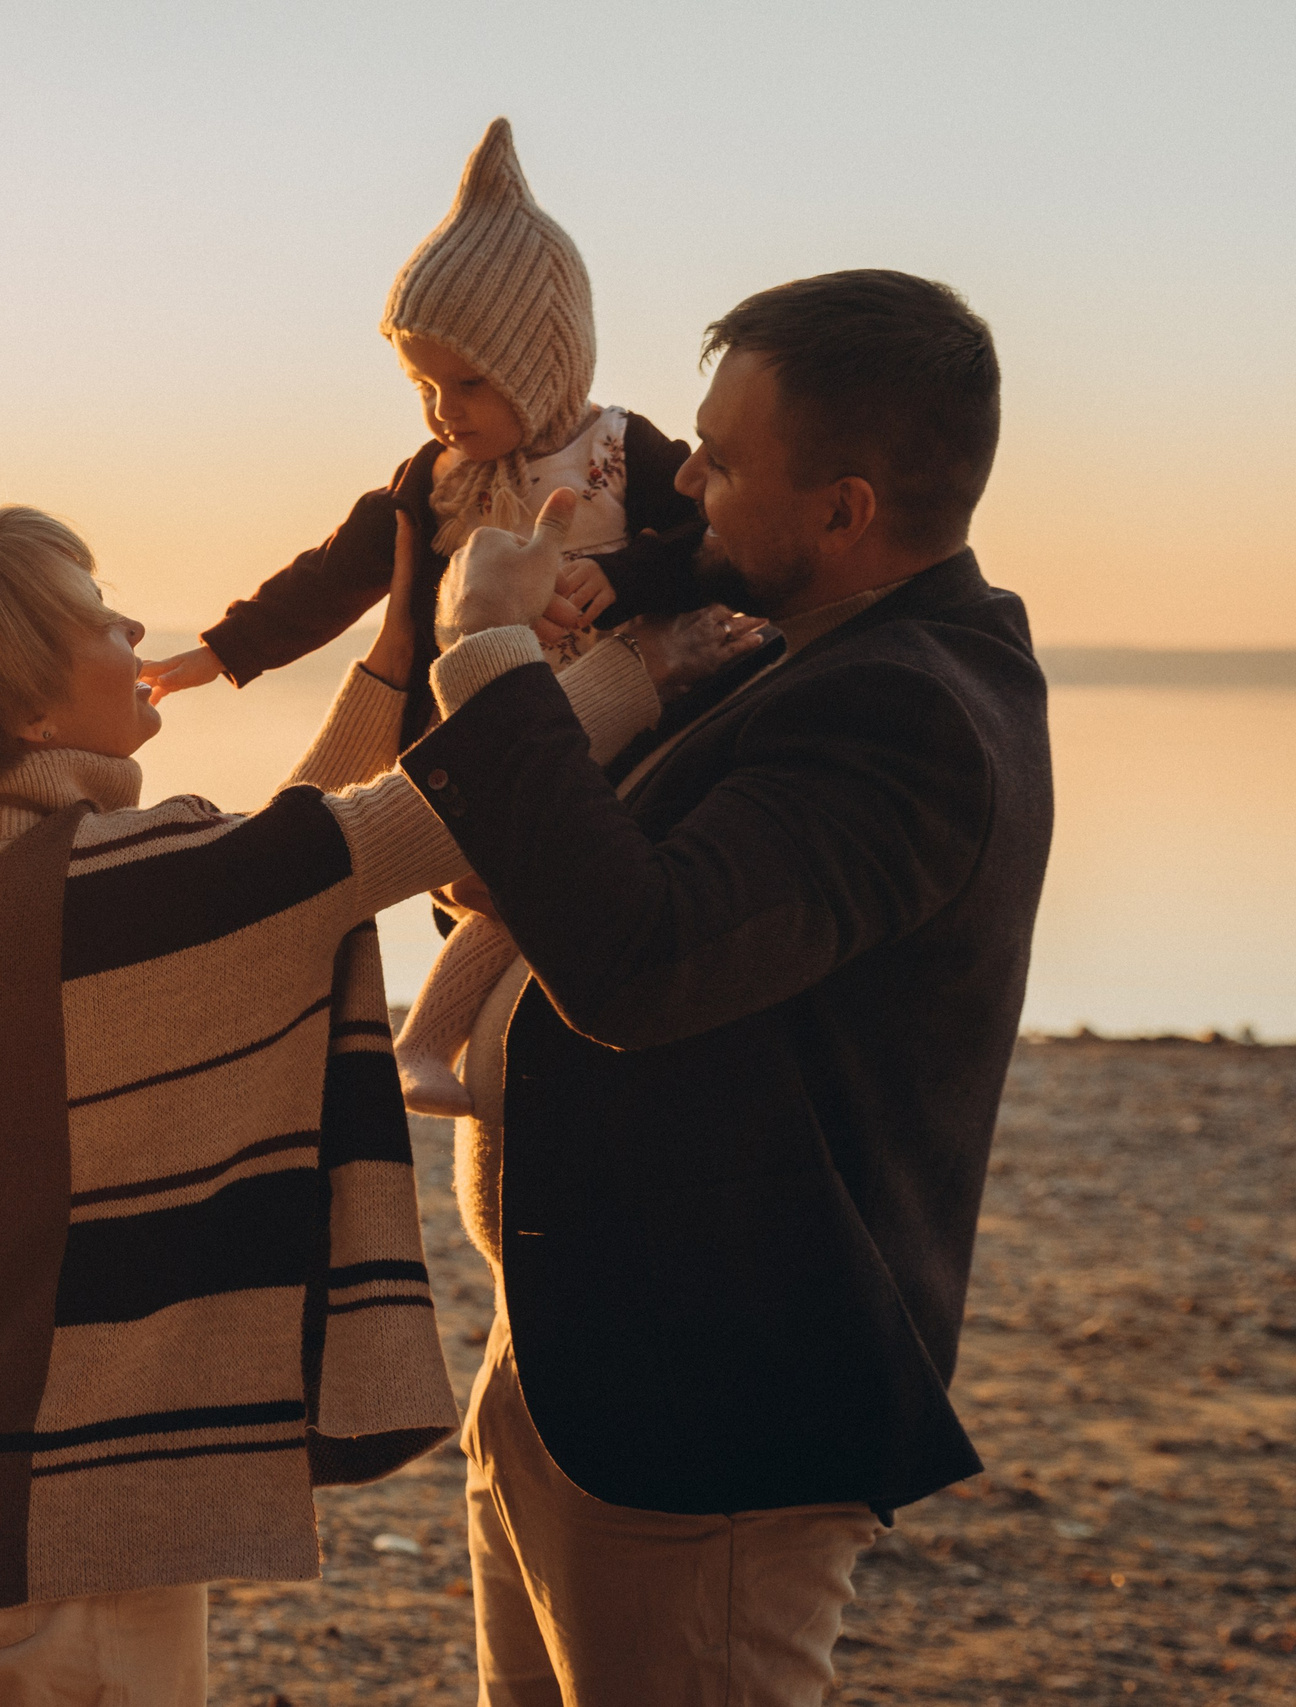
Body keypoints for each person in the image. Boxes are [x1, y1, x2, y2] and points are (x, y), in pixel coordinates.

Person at [0, 504, 747, 1705]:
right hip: (69, 1521)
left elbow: (279, 854)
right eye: (93, 613)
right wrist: (600, 656)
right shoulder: (117, 893)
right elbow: (405, 828)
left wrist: (395, 649)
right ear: (30, 713)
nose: (132, 622)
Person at [400, 270, 1052, 1704]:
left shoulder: (907, 713)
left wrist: (491, 655)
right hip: (589, 1362)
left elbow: (646, 962)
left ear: (846, 511)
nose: (684, 480)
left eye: (726, 459)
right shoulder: (823, 655)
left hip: (708, 1420)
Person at [135, 116, 732, 1117]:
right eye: (420, 383)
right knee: (490, 888)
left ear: (542, 362)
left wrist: (623, 580)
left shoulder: (623, 454)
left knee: (546, 915)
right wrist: (218, 653)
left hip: (618, 729)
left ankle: (433, 1046)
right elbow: (330, 578)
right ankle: (427, 1045)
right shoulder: (432, 483)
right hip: (472, 738)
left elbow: (709, 552)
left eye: (465, 382)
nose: (438, 408)